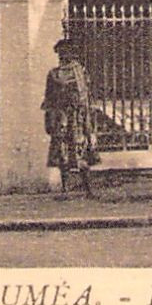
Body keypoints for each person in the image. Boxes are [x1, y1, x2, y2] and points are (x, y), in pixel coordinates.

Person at [42, 37, 99, 196]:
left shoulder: (80, 72)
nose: (63, 56)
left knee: (82, 153)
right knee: (63, 154)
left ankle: (88, 189)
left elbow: (87, 97)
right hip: (61, 118)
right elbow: (49, 99)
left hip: (78, 118)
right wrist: (48, 121)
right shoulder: (53, 74)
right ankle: (66, 189)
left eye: (66, 53)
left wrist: (89, 122)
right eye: (61, 53)